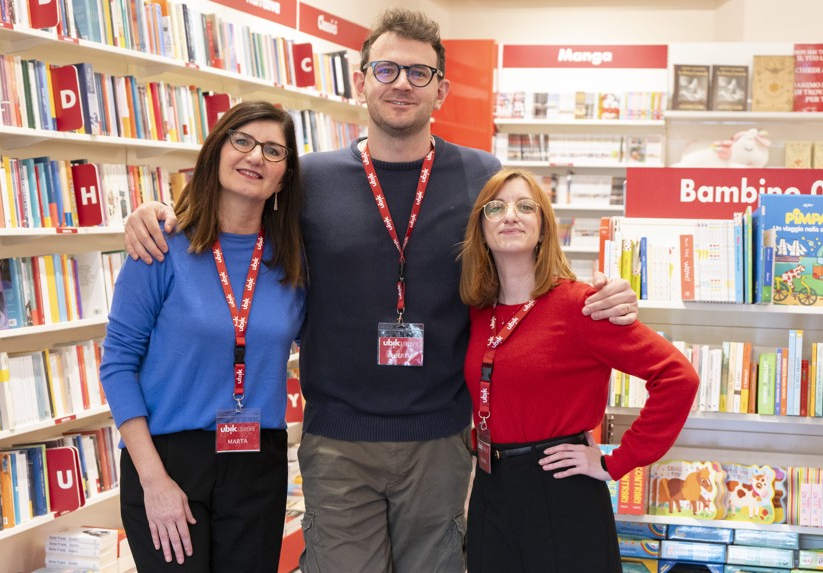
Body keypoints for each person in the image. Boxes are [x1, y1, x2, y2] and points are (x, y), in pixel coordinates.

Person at [122, 9, 639, 573]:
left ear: (441, 89)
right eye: (387, 69)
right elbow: (236, 226)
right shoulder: (307, 180)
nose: (401, 84)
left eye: (419, 73)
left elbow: (525, 263)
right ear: (361, 80)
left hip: (439, 439)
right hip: (338, 441)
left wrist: (601, 293)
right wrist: (159, 215)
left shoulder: (479, 175)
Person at [458, 168, 700, 573]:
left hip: (560, 487)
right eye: (495, 207)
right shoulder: (478, 310)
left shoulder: (582, 305)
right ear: (481, 229)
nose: (510, 215)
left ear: (544, 227)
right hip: (490, 486)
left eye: (525, 206)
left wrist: (613, 462)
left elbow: (678, 377)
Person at [100, 101, 306, 573]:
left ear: (284, 177)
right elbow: (117, 365)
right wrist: (153, 480)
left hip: (259, 460)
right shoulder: (160, 245)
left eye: (274, 150)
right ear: (216, 151)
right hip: (169, 461)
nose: (256, 156)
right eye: (243, 141)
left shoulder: (293, 261)